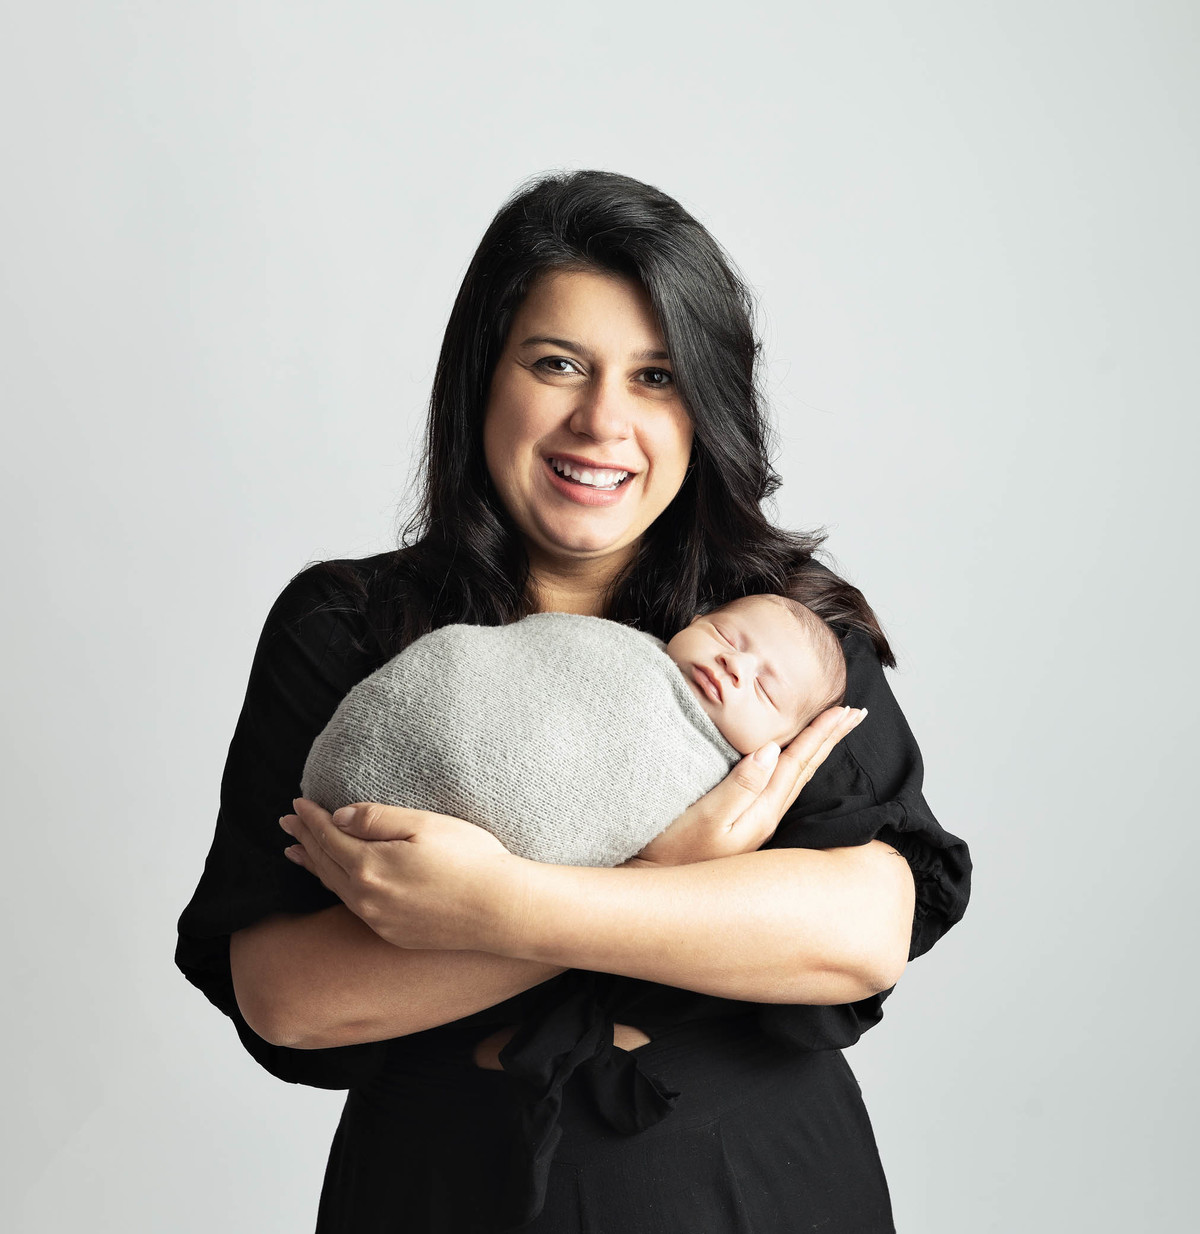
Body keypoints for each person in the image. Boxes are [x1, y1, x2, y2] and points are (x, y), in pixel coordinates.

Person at [176, 169, 972, 1233]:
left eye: (656, 376)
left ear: (705, 406)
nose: (603, 421)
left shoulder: (775, 637)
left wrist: (498, 906)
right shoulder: (349, 629)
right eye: (557, 363)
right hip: (439, 1195)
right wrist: (671, 878)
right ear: (482, 378)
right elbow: (288, 996)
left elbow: (862, 928)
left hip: (753, 1190)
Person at [298, 593, 853, 869]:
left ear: (780, 743)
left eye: (765, 689)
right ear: (692, 621)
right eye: (727, 636)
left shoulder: (717, 783)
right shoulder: (622, 645)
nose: (735, 664)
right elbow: (529, 655)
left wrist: (657, 870)